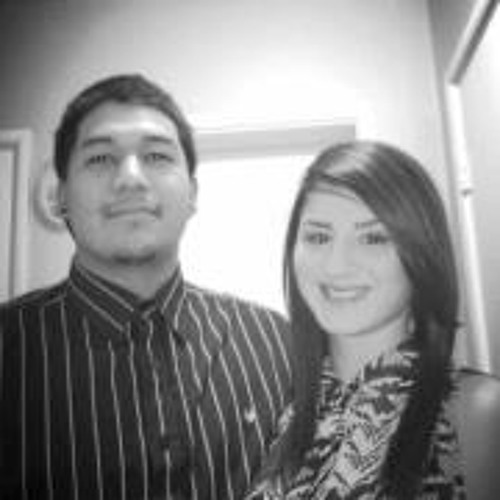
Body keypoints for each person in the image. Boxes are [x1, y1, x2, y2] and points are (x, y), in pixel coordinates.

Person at [0, 73, 292, 500]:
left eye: (157, 156)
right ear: (61, 195)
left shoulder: (276, 342)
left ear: (192, 193)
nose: (131, 178)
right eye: (100, 158)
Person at [246, 140, 500, 499]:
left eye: (373, 238)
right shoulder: (288, 413)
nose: (337, 265)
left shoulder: (476, 411)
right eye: (318, 236)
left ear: (421, 252)